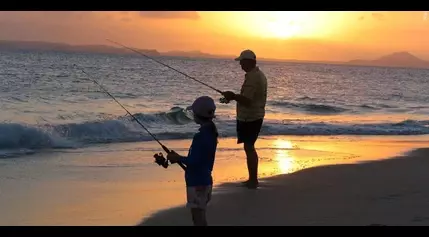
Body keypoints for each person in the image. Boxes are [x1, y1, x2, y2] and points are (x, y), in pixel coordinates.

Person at [166, 96, 218, 226]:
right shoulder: (211, 134)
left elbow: (195, 160)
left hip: (197, 183)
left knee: (197, 218)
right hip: (205, 180)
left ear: (197, 114)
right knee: (200, 216)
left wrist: (178, 158)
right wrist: (180, 158)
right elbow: (200, 159)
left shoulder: (201, 136)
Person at [221, 49, 267, 189]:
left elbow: (247, 101)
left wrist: (233, 96)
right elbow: (247, 99)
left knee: (249, 147)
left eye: (241, 61)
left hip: (250, 118)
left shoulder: (253, 77)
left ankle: (253, 180)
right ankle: (252, 179)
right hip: (253, 116)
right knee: (249, 147)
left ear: (248, 62)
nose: (240, 64)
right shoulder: (256, 75)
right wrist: (233, 97)